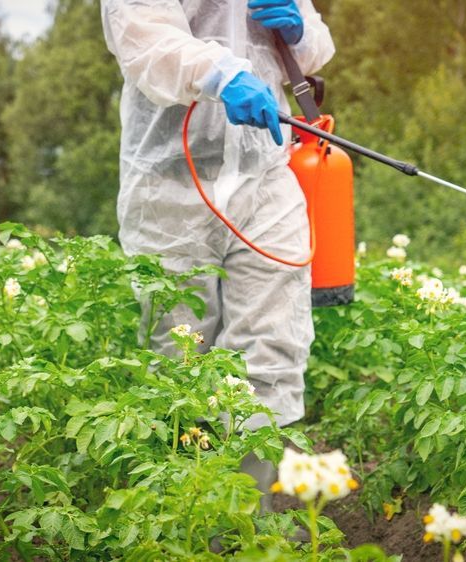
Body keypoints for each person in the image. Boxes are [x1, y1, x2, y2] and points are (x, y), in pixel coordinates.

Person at [101, 0, 335, 510]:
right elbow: (144, 40)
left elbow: (316, 44)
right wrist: (219, 74)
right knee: (182, 352)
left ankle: (253, 516)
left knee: (272, 342)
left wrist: (298, 31)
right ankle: (193, 514)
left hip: (266, 170)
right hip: (169, 184)